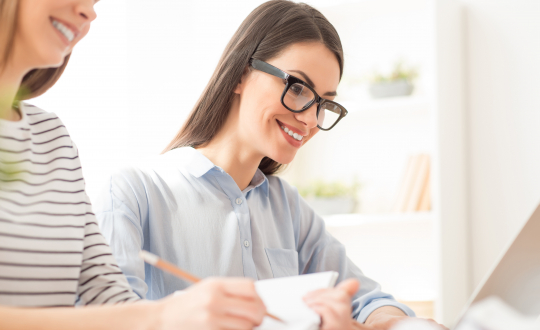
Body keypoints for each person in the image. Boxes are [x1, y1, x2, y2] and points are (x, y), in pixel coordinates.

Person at [96, 1, 444, 329]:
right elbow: (110, 321)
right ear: (240, 75)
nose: (309, 119)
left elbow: (369, 301)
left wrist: (400, 324)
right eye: (297, 87)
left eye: (324, 104)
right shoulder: (134, 192)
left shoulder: (286, 207)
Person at [0, 0, 269, 329]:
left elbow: (106, 292)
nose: (89, 12)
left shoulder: (52, 137)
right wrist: (161, 315)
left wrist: (198, 314)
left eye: (95, 2)